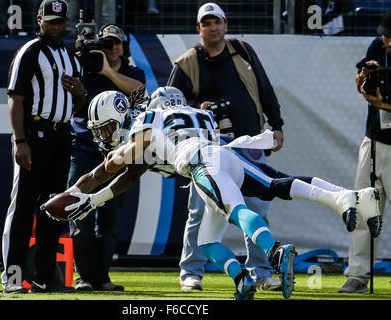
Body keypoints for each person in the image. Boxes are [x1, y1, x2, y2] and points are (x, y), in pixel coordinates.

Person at [45, 89, 380, 300]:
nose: (104, 136)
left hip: (201, 162)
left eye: (104, 128)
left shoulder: (142, 128)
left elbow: (108, 169)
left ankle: (275, 252)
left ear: (116, 117)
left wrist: (77, 192)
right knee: (240, 214)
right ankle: (344, 199)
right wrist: (92, 202)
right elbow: (131, 175)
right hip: (225, 155)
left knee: (236, 211)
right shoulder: (171, 117)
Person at [167, 2, 285, 291]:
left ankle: (260, 272)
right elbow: (170, 107)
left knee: (258, 207)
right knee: (199, 211)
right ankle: (190, 273)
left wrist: (277, 124)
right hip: (207, 149)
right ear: (199, 29)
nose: (213, 27)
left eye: (217, 22)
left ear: (226, 24)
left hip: (248, 143)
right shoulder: (187, 62)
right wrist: (197, 108)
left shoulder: (242, 51)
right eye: (206, 23)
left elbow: (265, 87)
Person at [1, 0, 86, 294]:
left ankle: (44, 277)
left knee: (53, 209)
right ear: (38, 20)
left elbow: (77, 103)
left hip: (61, 135)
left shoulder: (72, 57)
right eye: (50, 21)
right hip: (34, 134)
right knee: (23, 207)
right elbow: (16, 98)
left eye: (60, 22)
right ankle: (13, 278)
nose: (55, 27)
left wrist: (81, 92)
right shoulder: (30, 51)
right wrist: (20, 140)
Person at [67, 23, 146, 292]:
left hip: (118, 156)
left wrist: (108, 72)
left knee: (109, 221)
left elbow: (140, 92)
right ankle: (85, 277)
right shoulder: (83, 68)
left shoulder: (132, 72)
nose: (113, 47)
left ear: (124, 47)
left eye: (117, 43)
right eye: (107, 43)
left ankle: (102, 278)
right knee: (80, 216)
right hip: (83, 151)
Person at [338, 9, 391, 294]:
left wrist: (384, 106)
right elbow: (361, 83)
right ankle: (358, 273)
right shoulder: (377, 46)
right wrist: (362, 83)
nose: (387, 42)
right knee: (363, 205)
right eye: (384, 35)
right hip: (373, 140)